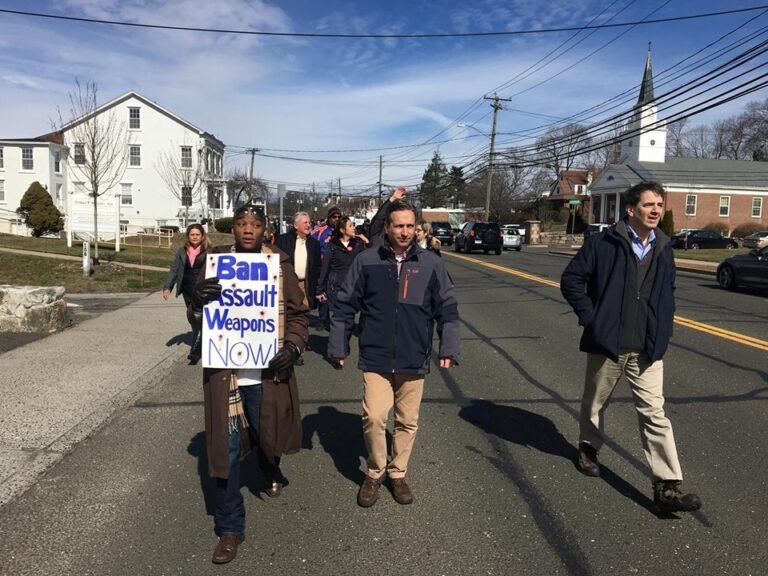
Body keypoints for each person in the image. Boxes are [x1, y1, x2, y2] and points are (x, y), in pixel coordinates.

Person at [560, 181, 702, 514]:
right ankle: (588, 447)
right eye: (649, 205)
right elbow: (572, 280)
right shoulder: (603, 243)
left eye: (659, 205)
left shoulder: (664, 247)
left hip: (647, 347)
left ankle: (667, 486)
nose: (656, 211)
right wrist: (593, 319)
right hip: (608, 343)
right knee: (595, 404)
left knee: (654, 413)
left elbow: (668, 292)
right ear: (631, 209)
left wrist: (664, 327)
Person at [188, 204, 309, 564]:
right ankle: (230, 528)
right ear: (234, 228)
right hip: (225, 376)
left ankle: (269, 466)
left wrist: (293, 346)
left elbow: (299, 314)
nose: (247, 229)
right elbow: (197, 318)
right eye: (241, 223)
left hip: (267, 375)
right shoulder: (215, 263)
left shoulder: (279, 264)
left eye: (255, 224)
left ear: (265, 229)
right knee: (225, 451)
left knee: (267, 436)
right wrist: (197, 302)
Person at [328, 200, 460, 507]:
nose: (404, 232)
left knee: (407, 420)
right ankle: (375, 472)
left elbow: (447, 307)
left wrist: (449, 346)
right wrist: (338, 345)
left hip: (414, 355)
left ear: (416, 228)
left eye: (410, 226)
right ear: (387, 227)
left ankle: (397, 473)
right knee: (374, 417)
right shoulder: (367, 260)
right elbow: (345, 304)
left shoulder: (431, 263)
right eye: (398, 225)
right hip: (376, 354)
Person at [316, 216, 367, 369]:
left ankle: (343, 347)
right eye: (350, 226)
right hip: (335, 289)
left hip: (354, 288)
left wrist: (366, 241)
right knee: (337, 321)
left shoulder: (358, 244)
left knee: (348, 322)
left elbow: (370, 259)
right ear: (342, 230)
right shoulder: (332, 246)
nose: (354, 228)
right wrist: (320, 289)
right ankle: (337, 355)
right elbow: (325, 268)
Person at [276, 211, 322, 365]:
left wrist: (318, 289)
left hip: (304, 285)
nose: (309, 225)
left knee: (302, 317)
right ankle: (283, 346)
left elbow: (317, 267)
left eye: (309, 222)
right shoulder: (283, 240)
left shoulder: (314, 244)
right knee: (285, 316)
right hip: (286, 284)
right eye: (305, 223)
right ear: (296, 225)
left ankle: (298, 349)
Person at [162, 223, 210, 363]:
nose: (194, 237)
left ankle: (195, 350)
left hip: (203, 290)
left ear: (202, 236)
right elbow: (175, 269)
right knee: (193, 317)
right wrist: (168, 287)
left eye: (197, 234)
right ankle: (201, 343)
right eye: (192, 234)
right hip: (187, 289)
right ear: (188, 236)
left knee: (200, 317)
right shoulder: (182, 251)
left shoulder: (209, 251)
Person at [311, 206, 342, 330]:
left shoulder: (343, 231)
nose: (337, 219)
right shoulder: (321, 231)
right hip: (323, 265)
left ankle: (337, 320)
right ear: (329, 218)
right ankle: (323, 319)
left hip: (337, 267)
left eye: (339, 217)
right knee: (323, 291)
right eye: (334, 217)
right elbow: (311, 244)